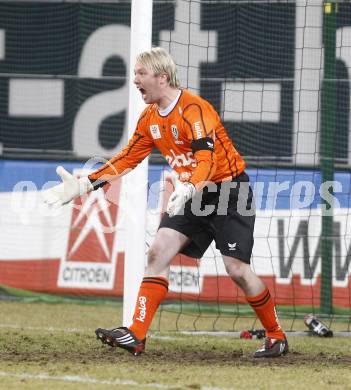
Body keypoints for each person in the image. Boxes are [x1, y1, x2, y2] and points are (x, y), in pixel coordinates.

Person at [43, 47, 288, 358]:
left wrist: (190, 184)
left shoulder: (194, 109)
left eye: (140, 74)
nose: (135, 81)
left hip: (228, 192)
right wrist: (83, 185)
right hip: (192, 193)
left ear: (162, 77)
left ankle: (276, 336)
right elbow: (127, 159)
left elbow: (207, 159)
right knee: (158, 250)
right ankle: (136, 334)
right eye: (134, 74)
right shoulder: (148, 119)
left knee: (237, 270)